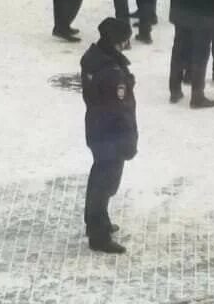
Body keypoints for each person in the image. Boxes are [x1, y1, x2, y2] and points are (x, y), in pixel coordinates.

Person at [80, 17, 137, 255]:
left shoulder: (94, 60)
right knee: (105, 183)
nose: (127, 44)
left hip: (97, 128)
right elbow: (120, 109)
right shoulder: (112, 73)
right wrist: (129, 141)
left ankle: (97, 221)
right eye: (125, 40)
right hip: (112, 134)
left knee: (100, 178)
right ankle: (98, 235)